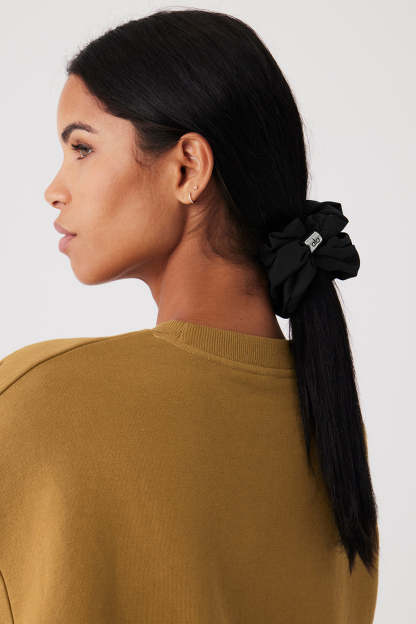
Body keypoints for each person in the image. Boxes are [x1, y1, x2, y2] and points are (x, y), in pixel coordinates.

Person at [0, 8, 379, 623]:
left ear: (187, 168)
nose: (54, 188)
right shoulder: (334, 430)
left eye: (82, 148)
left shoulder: (36, 400)